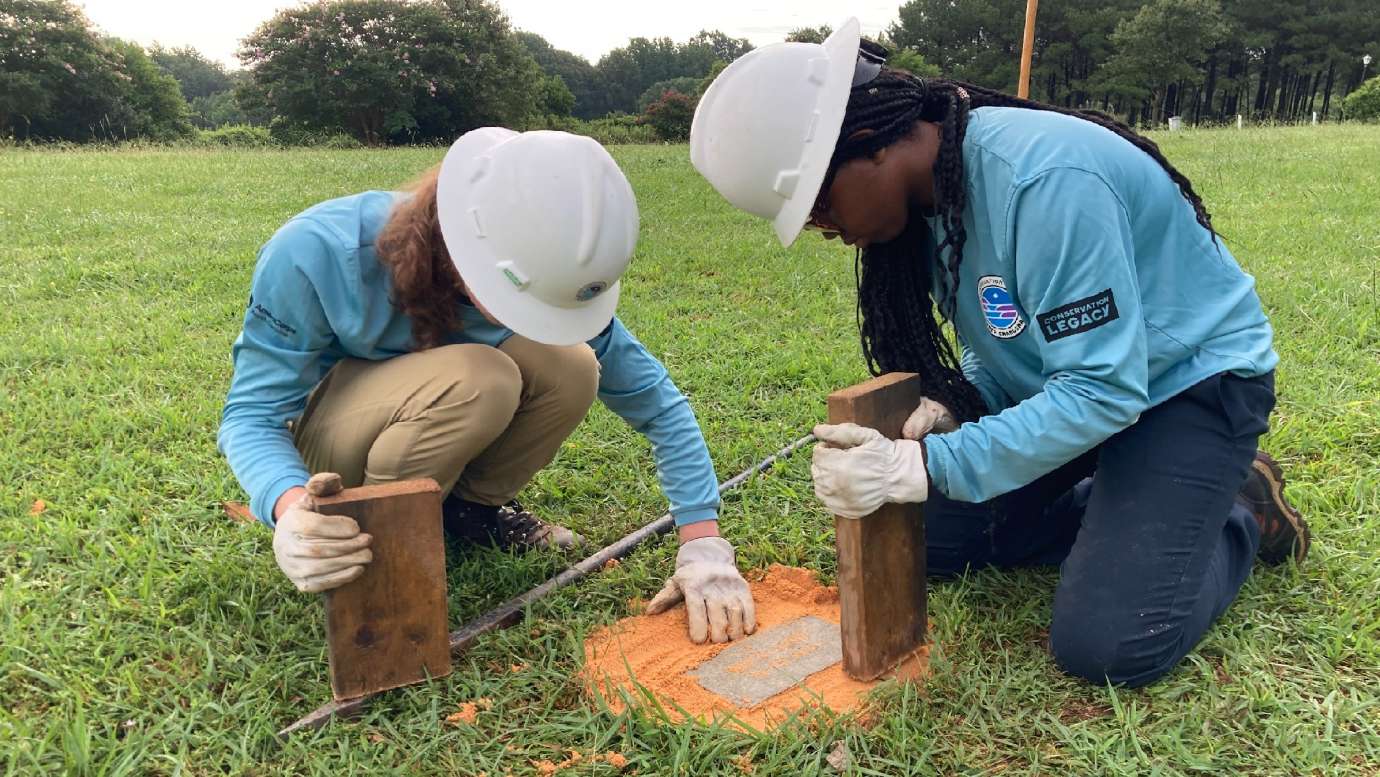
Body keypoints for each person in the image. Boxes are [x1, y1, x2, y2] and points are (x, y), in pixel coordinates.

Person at [689, 20, 1310, 686]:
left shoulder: (1044, 180)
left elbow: (1104, 388)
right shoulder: (929, 206)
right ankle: (1131, 504)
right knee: (931, 541)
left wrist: (923, 462)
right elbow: (1018, 334)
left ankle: (1240, 508)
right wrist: (959, 403)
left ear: (867, 142)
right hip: (1084, 390)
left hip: (1186, 388)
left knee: (1109, 643)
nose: (826, 229)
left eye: (817, 204)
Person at [219, 128, 756, 644]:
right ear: (461, 249)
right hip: (333, 453)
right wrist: (291, 510)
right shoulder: (318, 252)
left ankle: (466, 514)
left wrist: (702, 541)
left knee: (573, 364)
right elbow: (251, 416)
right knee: (482, 376)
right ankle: (376, 541)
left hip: (426, 409)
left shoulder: (538, 271)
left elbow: (659, 405)